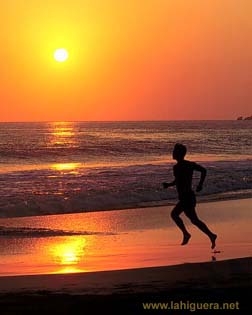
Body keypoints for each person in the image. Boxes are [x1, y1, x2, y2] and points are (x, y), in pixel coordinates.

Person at [163, 143, 217, 249]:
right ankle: (211, 235)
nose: (172, 153)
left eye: (174, 151)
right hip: (187, 197)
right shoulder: (185, 165)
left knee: (175, 214)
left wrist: (200, 184)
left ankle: (187, 234)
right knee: (194, 220)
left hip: (187, 197)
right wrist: (169, 185)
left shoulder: (181, 166)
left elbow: (203, 171)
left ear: (179, 154)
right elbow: (178, 181)